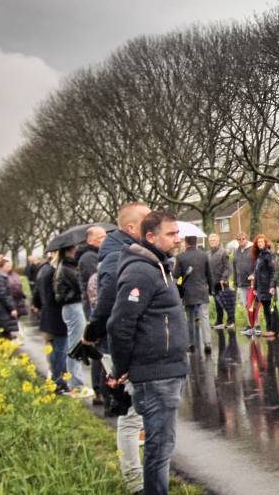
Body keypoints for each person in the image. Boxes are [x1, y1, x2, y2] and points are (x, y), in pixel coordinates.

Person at [108, 211, 190, 495]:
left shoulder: (158, 266)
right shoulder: (140, 271)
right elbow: (119, 324)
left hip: (167, 370)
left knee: (162, 445)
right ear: (151, 237)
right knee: (159, 447)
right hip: (155, 375)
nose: (177, 239)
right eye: (171, 234)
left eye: (177, 233)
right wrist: (122, 369)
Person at [85, 202, 150, 494]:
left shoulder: (129, 250)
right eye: (148, 221)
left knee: (140, 413)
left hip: (136, 341)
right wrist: (94, 331)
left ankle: (143, 473)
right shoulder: (116, 255)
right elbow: (108, 297)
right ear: (131, 228)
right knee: (130, 415)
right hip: (123, 344)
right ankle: (133, 481)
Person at [53, 245, 92, 399]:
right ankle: (76, 385)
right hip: (74, 306)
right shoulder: (68, 268)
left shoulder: (64, 266)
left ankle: (75, 383)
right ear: (70, 251)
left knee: (74, 344)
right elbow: (80, 284)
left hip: (71, 307)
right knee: (75, 345)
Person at [29, 254, 69, 394]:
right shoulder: (54, 273)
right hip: (57, 315)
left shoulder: (42, 270)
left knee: (52, 348)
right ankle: (59, 380)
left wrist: (37, 305)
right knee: (61, 349)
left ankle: (54, 377)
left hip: (47, 315)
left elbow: (37, 293)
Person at [79, 225, 106, 402]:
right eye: (101, 237)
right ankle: (99, 389)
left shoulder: (94, 255)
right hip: (94, 308)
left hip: (94, 307)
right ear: (91, 240)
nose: (105, 239)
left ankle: (101, 387)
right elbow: (95, 285)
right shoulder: (89, 258)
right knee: (99, 351)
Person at [174, 236, 213, 354]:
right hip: (202, 291)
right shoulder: (204, 255)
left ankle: (191, 343)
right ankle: (207, 343)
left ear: (185, 243)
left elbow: (176, 275)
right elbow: (209, 274)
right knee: (204, 317)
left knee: (189, 319)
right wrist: (211, 290)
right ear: (196, 242)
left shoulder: (180, 257)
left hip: (188, 292)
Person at [248, 233, 279, 338]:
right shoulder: (259, 256)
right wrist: (255, 288)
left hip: (268, 287)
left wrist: (272, 286)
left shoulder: (268, 255)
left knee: (272, 308)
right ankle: (269, 329)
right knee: (266, 309)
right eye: (258, 242)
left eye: (262, 241)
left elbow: (273, 271)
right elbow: (256, 273)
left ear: (265, 243)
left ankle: (274, 330)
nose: (260, 243)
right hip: (261, 288)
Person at [207, 234, 235, 329]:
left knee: (226, 302)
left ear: (218, 241)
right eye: (211, 240)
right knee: (217, 303)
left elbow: (228, 268)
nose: (212, 241)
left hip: (222, 282)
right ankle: (219, 320)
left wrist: (223, 278)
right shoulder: (207, 254)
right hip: (213, 282)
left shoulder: (223, 252)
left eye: (214, 240)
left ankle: (231, 320)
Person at [232, 232, 254, 322]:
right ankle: (249, 325)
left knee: (253, 305)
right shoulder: (236, 251)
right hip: (241, 283)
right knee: (245, 305)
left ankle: (256, 325)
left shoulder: (252, 249)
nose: (241, 241)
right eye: (239, 239)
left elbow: (258, 264)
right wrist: (235, 283)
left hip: (251, 283)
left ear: (246, 239)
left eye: (243, 239)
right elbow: (234, 268)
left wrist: (254, 275)